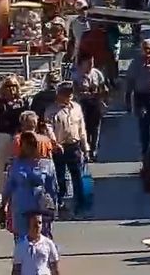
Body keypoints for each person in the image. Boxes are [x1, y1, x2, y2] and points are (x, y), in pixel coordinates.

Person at [1, 132, 58, 239]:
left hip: (40, 205)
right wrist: (3, 205)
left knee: (42, 238)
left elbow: (52, 187)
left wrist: (54, 205)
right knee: (22, 238)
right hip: (21, 205)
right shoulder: (15, 164)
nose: (28, 147)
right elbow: (9, 185)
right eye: (25, 143)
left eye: (32, 143)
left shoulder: (47, 164)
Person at [44, 82, 89, 216]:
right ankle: (60, 202)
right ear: (59, 94)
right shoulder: (51, 110)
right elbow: (49, 128)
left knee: (78, 176)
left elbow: (82, 128)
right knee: (60, 176)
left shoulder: (77, 108)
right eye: (65, 93)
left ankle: (80, 203)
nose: (69, 95)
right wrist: (54, 142)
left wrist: (85, 146)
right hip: (59, 147)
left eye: (70, 92)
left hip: (74, 145)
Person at [0, 75, 28, 202]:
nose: (11, 89)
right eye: (8, 86)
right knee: (2, 166)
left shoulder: (22, 101)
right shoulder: (1, 102)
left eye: (14, 86)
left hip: (18, 135)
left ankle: (16, 192)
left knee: (18, 164)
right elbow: (4, 119)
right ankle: (0, 194)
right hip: (4, 135)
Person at [70, 54, 108, 160]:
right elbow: (74, 91)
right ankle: (85, 149)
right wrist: (82, 93)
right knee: (84, 127)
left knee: (95, 128)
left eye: (92, 62)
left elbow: (103, 88)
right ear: (82, 64)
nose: (91, 65)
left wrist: (102, 97)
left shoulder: (97, 74)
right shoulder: (76, 75)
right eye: (88, 63)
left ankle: (93, 150)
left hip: (95, 103)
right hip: (82, 104)